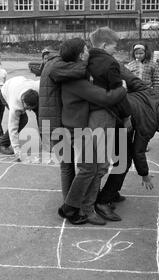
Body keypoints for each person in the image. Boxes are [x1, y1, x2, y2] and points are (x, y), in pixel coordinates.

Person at [55, 38, 127, 226]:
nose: (89, 52)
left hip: (78, 126)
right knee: (89, 168)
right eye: (86, 50)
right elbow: (104, 97)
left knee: (92, 167)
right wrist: (122, 89)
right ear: (80, 55)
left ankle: (80, 207)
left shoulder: (73, 73)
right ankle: (69, 208)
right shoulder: (75, 80)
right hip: (76, 129)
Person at [96, 66, 159, 208]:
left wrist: (114, 65)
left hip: (119, 121)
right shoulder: (149, 124)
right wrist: (145, 174)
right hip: (115, 123)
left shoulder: (152, 94)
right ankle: (103, 201)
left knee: (123, 161)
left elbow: (130, 77)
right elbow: (139, 152)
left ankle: (111, 192)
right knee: (123, 163)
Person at [38, 46, 87, 203]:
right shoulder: (57, 65)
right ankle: (70, 203)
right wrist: (89, 62)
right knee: (67, 165)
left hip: (51, 122)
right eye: (82, 51)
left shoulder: (52, 64)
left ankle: (71, 200)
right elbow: (80, 71)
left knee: (68, 164)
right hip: (56, 124)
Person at [0, 76, 39, 159]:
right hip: (6, 91)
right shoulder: (15, 105)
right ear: (22, 100)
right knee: (22, 120)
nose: (29, 110)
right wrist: (17, 151)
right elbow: (13, 128)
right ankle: (1, 144)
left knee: (38, 113)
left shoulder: (36, 87)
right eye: (27, 107)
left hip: (20, 83)